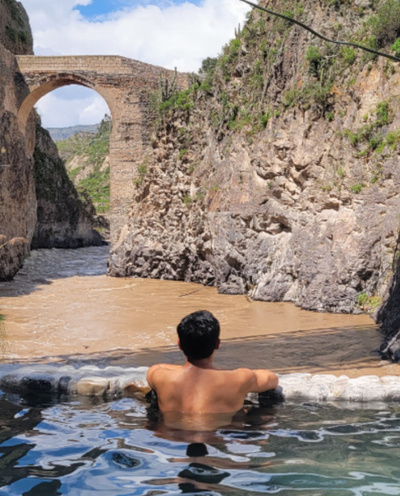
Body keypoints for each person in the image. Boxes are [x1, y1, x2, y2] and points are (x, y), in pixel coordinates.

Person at [146, 310, 278, 423]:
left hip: (170, 438)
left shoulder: (157, 375)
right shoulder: (240, 379)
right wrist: (223, 372)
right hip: (220, 437)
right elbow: (272, 379)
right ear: (217, 344)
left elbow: (161, 366)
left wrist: (187, 369)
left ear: (179, 344)